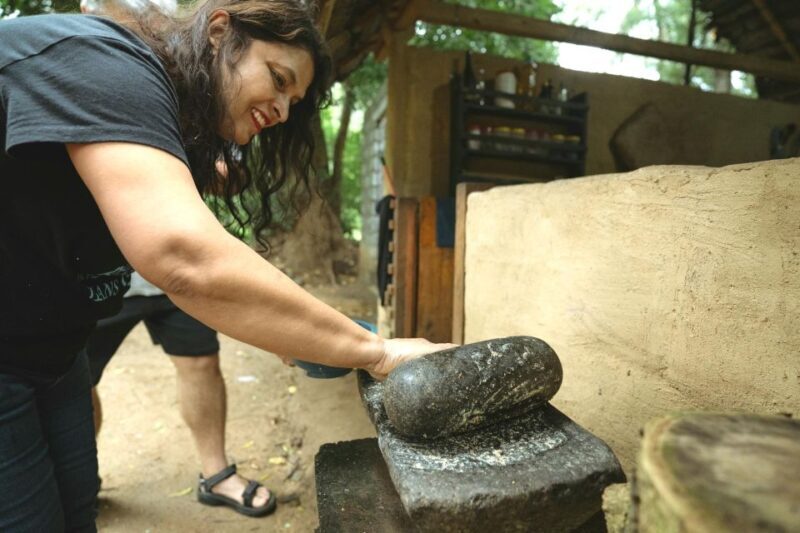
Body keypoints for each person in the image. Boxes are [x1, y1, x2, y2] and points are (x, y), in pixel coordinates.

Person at [0, 1, 455, 530]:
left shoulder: (170, 118)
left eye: (294, 100)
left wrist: (297, 332)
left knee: (76, 513)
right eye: (278, 79)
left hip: (49, 351)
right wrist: (374, 350)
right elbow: (185, 258)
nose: (283, 111)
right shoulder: (104, 61)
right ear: (220, 32)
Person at [77, 0, 274, 518]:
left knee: (201, 363)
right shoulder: (94, 71)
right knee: (75, 379)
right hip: (99, 273)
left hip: (173, 280)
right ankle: (82, 477)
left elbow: (233, 173)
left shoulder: (203, 84)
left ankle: (217, 474)